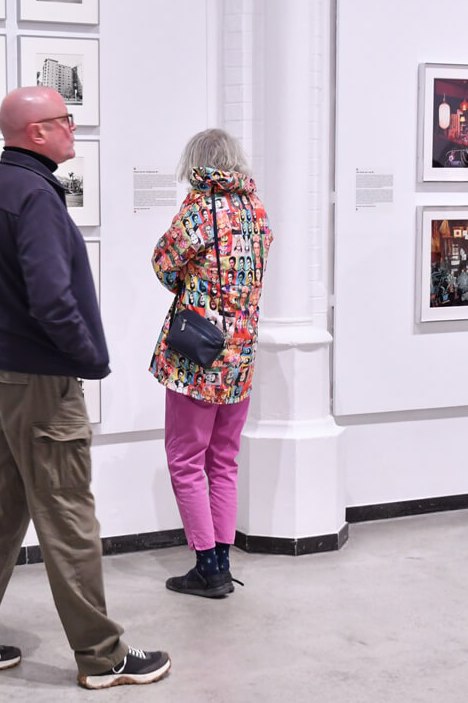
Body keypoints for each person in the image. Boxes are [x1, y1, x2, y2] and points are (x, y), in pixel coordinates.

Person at [0, 86, 171, 690]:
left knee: (0, 511)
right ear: (35, 132)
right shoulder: (34, 195)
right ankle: (104, 657)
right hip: (39, 378)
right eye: (65, 120)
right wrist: (89, 358)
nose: (74, 129)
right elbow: (52, 298)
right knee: (68, 518)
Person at [149, 128, 273, 598]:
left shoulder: (201, 207)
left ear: (196, 162)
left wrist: (195, 284)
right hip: (241, 354)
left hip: (198, 355)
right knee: (224, 460)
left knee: (185, 459)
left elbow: (163, 264)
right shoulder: (256, 210)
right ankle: (221, 558)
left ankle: (206, 566)